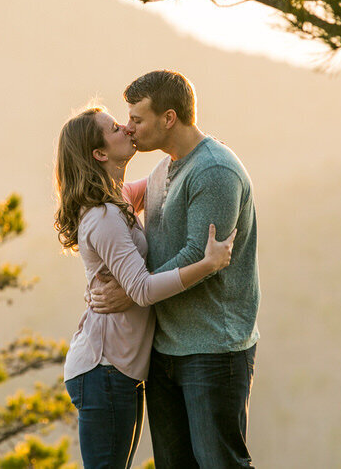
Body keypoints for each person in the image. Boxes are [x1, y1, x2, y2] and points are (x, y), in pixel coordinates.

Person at [89, 70, 261, 469]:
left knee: (220, 463)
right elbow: (114, 202)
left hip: (212, 348)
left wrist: (131, 290)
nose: (129, 128)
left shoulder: (214, 172)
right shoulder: (163, 171)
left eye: (137, 119)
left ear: (169, 118)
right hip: (165, 348)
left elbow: (196, 257)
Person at [54, 105, 237, 469]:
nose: (126, 128)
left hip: (118, 370)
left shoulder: (116, 199)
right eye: (115, 128)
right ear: (100, 153)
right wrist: (208, 265)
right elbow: (142, 290)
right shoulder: (104, 217)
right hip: (103, 370)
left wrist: (200, 145)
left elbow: (161, 177)